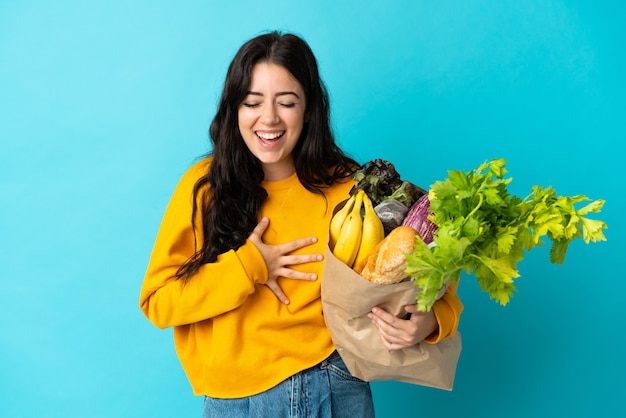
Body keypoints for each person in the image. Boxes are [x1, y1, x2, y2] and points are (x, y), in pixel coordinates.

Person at [139, 31, 463, 418]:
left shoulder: (352, 188)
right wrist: (250, 267)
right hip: (238, 401)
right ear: (234, 109)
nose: (269, 118)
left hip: (335, 386)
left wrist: (430, 322)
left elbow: (427, 269)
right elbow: (158, 303)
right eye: (252, 102)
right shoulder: (205, 188)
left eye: (287, 102)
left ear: (309, 108)